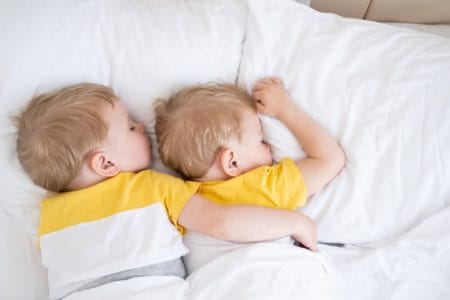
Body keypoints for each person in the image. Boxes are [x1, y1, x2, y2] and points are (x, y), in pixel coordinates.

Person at [15, 83, 316, 299]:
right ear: (105, 163)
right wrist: (296, 222)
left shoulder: (47, 220)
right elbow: (221, 221)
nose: (142, 127)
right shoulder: (149, 187)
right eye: (130, 127)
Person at [154, 77, 346, 271]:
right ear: (232, 162)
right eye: (260, 140)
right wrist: (285, 110)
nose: (269, 146)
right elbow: (331, 159)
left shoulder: (182, 200)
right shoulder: (264, 185)